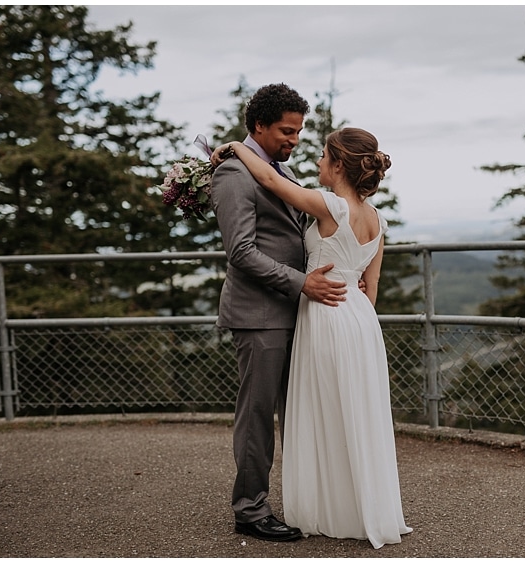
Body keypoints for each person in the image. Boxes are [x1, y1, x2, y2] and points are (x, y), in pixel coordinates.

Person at [216, 128, 411, 548]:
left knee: (319, 412)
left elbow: (270, 181)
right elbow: (369, 289)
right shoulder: (378, 219)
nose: (317, 161)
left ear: (339, 165)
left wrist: (234, 147)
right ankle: (360, 506)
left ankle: (323, 505)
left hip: (324, 315)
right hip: (360, 323)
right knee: (352, 414)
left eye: (324, 156)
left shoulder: (330, 205)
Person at [208, 83, 349, 543]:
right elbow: (241, 252)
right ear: (259, 126)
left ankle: (304, 502)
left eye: (299, 132)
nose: (294, 140)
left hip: (298, 314)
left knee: (300, 414)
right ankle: (249, 510)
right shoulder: (234, 173)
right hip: (260, 315)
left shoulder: (276, 170)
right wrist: (301, 282)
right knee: (258, 415)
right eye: (287, 132)